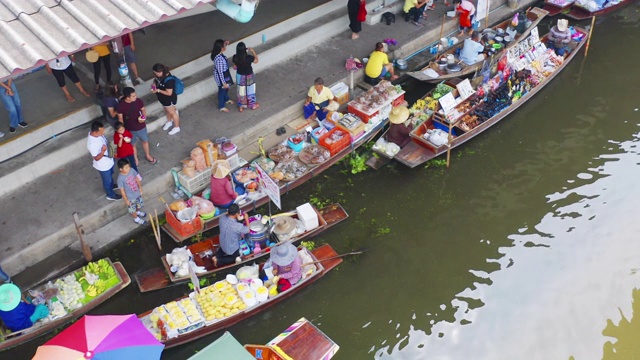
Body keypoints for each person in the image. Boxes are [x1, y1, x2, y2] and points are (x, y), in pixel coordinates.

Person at [117, 87, 157, 165]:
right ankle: (135, 159)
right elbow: (120, 120)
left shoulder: (138, 101)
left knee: (145, 141)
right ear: (128, 98)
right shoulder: (121, 106)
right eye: (133, 96)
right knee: (132, 145)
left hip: (141, 127)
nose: (135, 97)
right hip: (129, 129)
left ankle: (148, 155)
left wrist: (143, 117)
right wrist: (123, 131)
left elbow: (143, 110)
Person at [87, 121, 121, 201]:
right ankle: (110, 195)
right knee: (107, 180)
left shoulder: (97, 135)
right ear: (95, 132)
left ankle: (112, 185)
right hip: (103, 165)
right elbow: (96, 158)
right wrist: (103, 151)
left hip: (109, 160)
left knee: (111, 174)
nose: (103, 132)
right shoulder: (92, 144)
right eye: (101, 131)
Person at [214, 203, 249, 267]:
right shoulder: (237, 226)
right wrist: (246, 218)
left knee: (223, 248)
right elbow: (247, 230)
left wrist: (236, 218)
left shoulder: (221, 218)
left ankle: (215, 256)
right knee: (237, 257)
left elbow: (229, 218)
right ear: (236, 214)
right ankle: (218, 261)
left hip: (222, 243)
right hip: (231, 248)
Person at [152, 63, 181, 135]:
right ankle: (169, 121)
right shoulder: (159, 76)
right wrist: (153, 86)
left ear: (161, 71)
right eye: (154, 73)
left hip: (169, 99)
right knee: (167, 111)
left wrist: (158, 90)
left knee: (173, 113)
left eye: (157, 73)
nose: (156, 74)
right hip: (163, 99)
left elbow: (169, 93)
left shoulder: (169, 80)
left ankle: (176, 127)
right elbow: (155, 81)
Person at [117, 158, 146, 225]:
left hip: (137, 193)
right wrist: (126, 200)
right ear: (121, 169)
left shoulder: (132, 170)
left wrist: (140, 188)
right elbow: (122, 191)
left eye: (128, 166)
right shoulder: (120, 179)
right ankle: (136, 218)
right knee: (132, 209)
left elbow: (136, 179)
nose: (128, 169)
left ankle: (138, 212)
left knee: (139, 204)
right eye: (126, 168)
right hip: (130, 197)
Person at [232, 42, 260, 112]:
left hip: (240, 76)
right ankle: (252, 105)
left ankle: (241, 106)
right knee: (250, 90)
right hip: (249, 75)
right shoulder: (249, 58)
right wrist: (253, 51)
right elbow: (256, 61)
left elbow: (235, 67)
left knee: (241, 90)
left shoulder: (235, 57)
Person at [211, 39, 234, 113]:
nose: (225, 47)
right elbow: (220, 72)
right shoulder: (219, 60)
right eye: (224, 45)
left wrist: (226, 43)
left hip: (225, 73)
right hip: (222, 76)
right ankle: (221, 106)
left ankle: (226, 99)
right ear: (221, 48)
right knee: (222, 90)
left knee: (226, 88)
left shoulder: (219, 54)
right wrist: (223, 82)